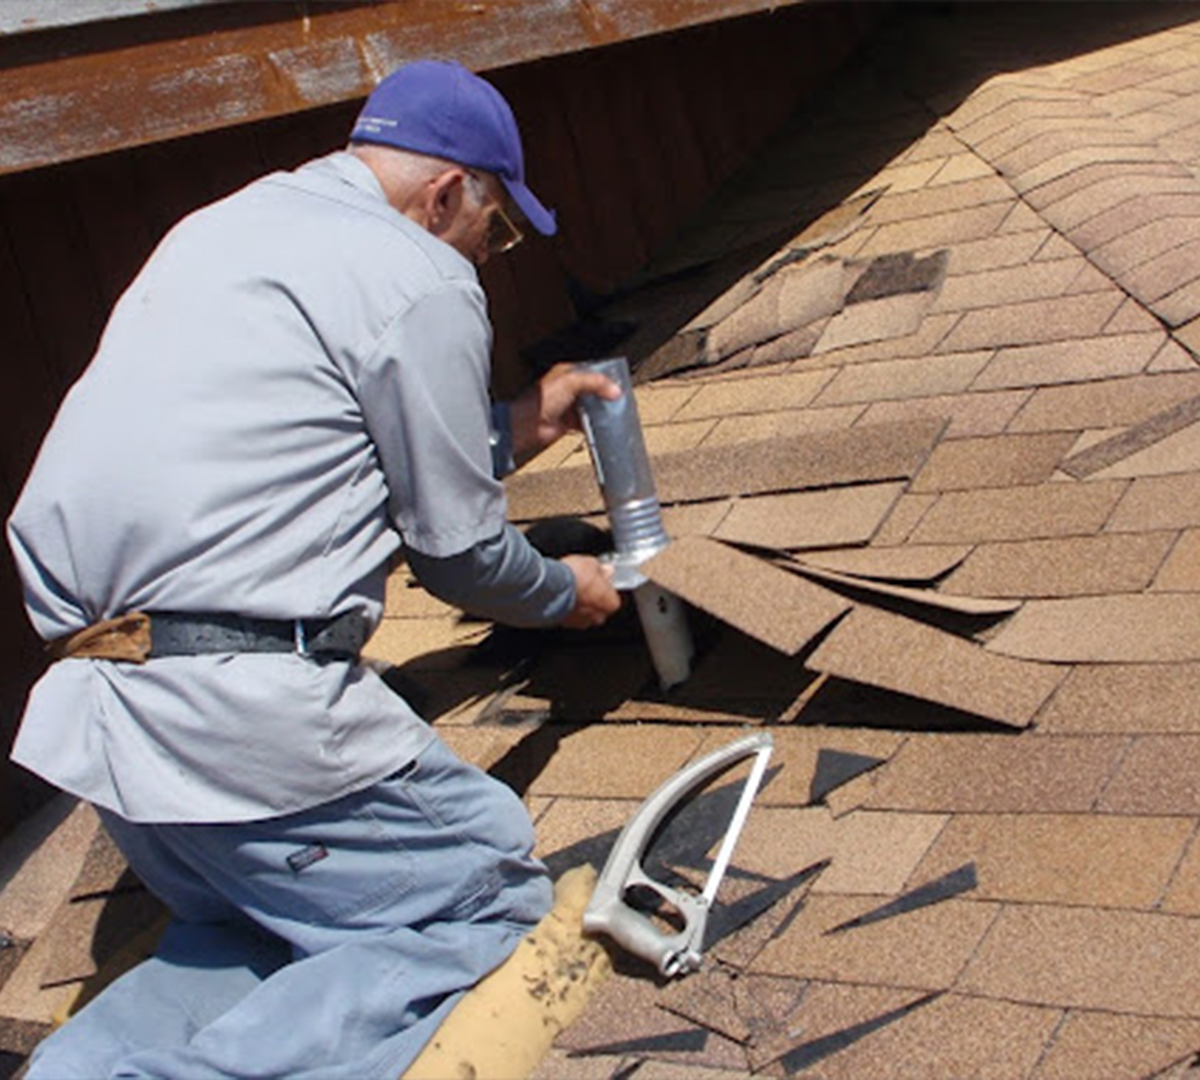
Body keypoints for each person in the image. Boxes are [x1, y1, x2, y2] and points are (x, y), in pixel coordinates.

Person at [6, 58, 622, 1079]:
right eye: (497, 227)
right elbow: (460, 555)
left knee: (248, 932)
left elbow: (305, 446)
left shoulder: (226, 228)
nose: (489, 253)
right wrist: (567, 594)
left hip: (111, 724)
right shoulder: (419, 270)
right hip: (246, 722)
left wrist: (516, 424)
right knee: (480, 899)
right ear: (445, 195)